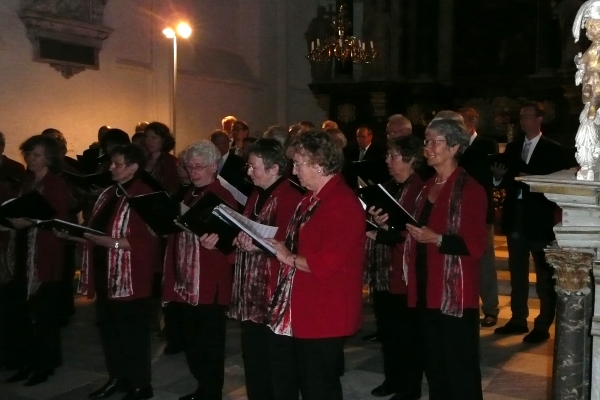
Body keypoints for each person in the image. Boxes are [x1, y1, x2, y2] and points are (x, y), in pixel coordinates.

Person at [265, 130, 365, 400]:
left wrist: (289, 257)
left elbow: (328, 263)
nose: (293, 170)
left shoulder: (342, 203)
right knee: (307, 381)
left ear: (319, 164)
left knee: (319, 386)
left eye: (298, 164)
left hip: (326, 310)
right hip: (306, 306)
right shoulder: (311, 198)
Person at [404, 119, 487, 400]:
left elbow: (476, 246)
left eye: (433, 141)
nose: (427, 148)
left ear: (453, 147)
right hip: (426, 289)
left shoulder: (470, 189)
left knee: (459, 369)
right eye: (426, 141)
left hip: (454, 295)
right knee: (435, 368)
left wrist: (437, 238)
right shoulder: (425, 186)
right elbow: (415, 229)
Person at [77, 144, 160, 400]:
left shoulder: (144, 194)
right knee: (110, 331)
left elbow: (148, 241)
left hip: (131, 278)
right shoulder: (109, 193)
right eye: (111, 163)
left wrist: (109, 243)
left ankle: (140, 385)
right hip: (105, 274)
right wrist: (75, 235)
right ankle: (117, 378)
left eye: (118, 164)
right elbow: (98, 229)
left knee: (132, 334)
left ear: (134, 167)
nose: (111, 167)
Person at [227, 139, 303, 400]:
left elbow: (292, 243)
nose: (248, 172)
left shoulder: (291, 196)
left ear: (273, 169)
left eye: (254, 167)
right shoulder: (257, 194)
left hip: (275, 289)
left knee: (278, 360)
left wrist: (257, 245)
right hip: (252, 291)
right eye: (248, 166)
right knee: (255, 356)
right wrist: (240, 238)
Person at [493, 101, 574, 343]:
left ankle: (542, 325)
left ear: (540, 119)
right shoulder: (513, 147)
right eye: (521, 117)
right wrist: (498, 179)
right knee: (517, 272)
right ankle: (518, 319)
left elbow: (559, 184)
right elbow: (506, 178)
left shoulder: (554, 150)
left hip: (539, 218)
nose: (523, 120)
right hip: (515, 214)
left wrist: (534, 180)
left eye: (528, 116)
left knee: (543, 274)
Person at [163, 140, 237, 400]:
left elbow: (232, 243)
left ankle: (211, 391)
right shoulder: (189, 193)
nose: (192, 172)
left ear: (214, 167)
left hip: (209, 283)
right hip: (186, 279)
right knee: (191, 339)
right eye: (189, 166)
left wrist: (217, 242)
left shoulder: (222, 196)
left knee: (208, 342)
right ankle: (202, 387)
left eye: (199, 167)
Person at [4, 135, 70, 386]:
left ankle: (45, 364)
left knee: (44, 315)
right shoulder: (27, 182)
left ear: (49, 158)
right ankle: (27, 361)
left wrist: (31, 221)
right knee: (22, 313)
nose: (31, 159)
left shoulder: (56, 184)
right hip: (23, 252)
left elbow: (58, 219)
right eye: (29, 154)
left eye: (36, 155)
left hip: (44, 255)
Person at [365, 135, 425, 399]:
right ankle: (392, 379)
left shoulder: (420, 189)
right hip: (383, 270)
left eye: (394, 156)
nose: (387, 160)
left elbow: (414, 231)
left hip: (405, 271)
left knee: (407, 334)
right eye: (387, 155)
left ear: (411, 159)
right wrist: (374, 220)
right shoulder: (387, 186)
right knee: (388, 331)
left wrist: (384, 232)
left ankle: (408, 387)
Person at [458, 108, 500, 328]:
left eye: (462, 122)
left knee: (485, 261)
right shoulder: (454, 145)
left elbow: (490, 174)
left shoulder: (486, 144)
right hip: (459, 210)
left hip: (481, 210)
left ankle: (491, 308)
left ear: (473, 122)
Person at [144, 122, 180, 195]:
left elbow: (173, 188)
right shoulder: (143, 159)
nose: (149, 141)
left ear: (164, 139)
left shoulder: (171, 162)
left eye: (154, 138)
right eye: (147, 137)